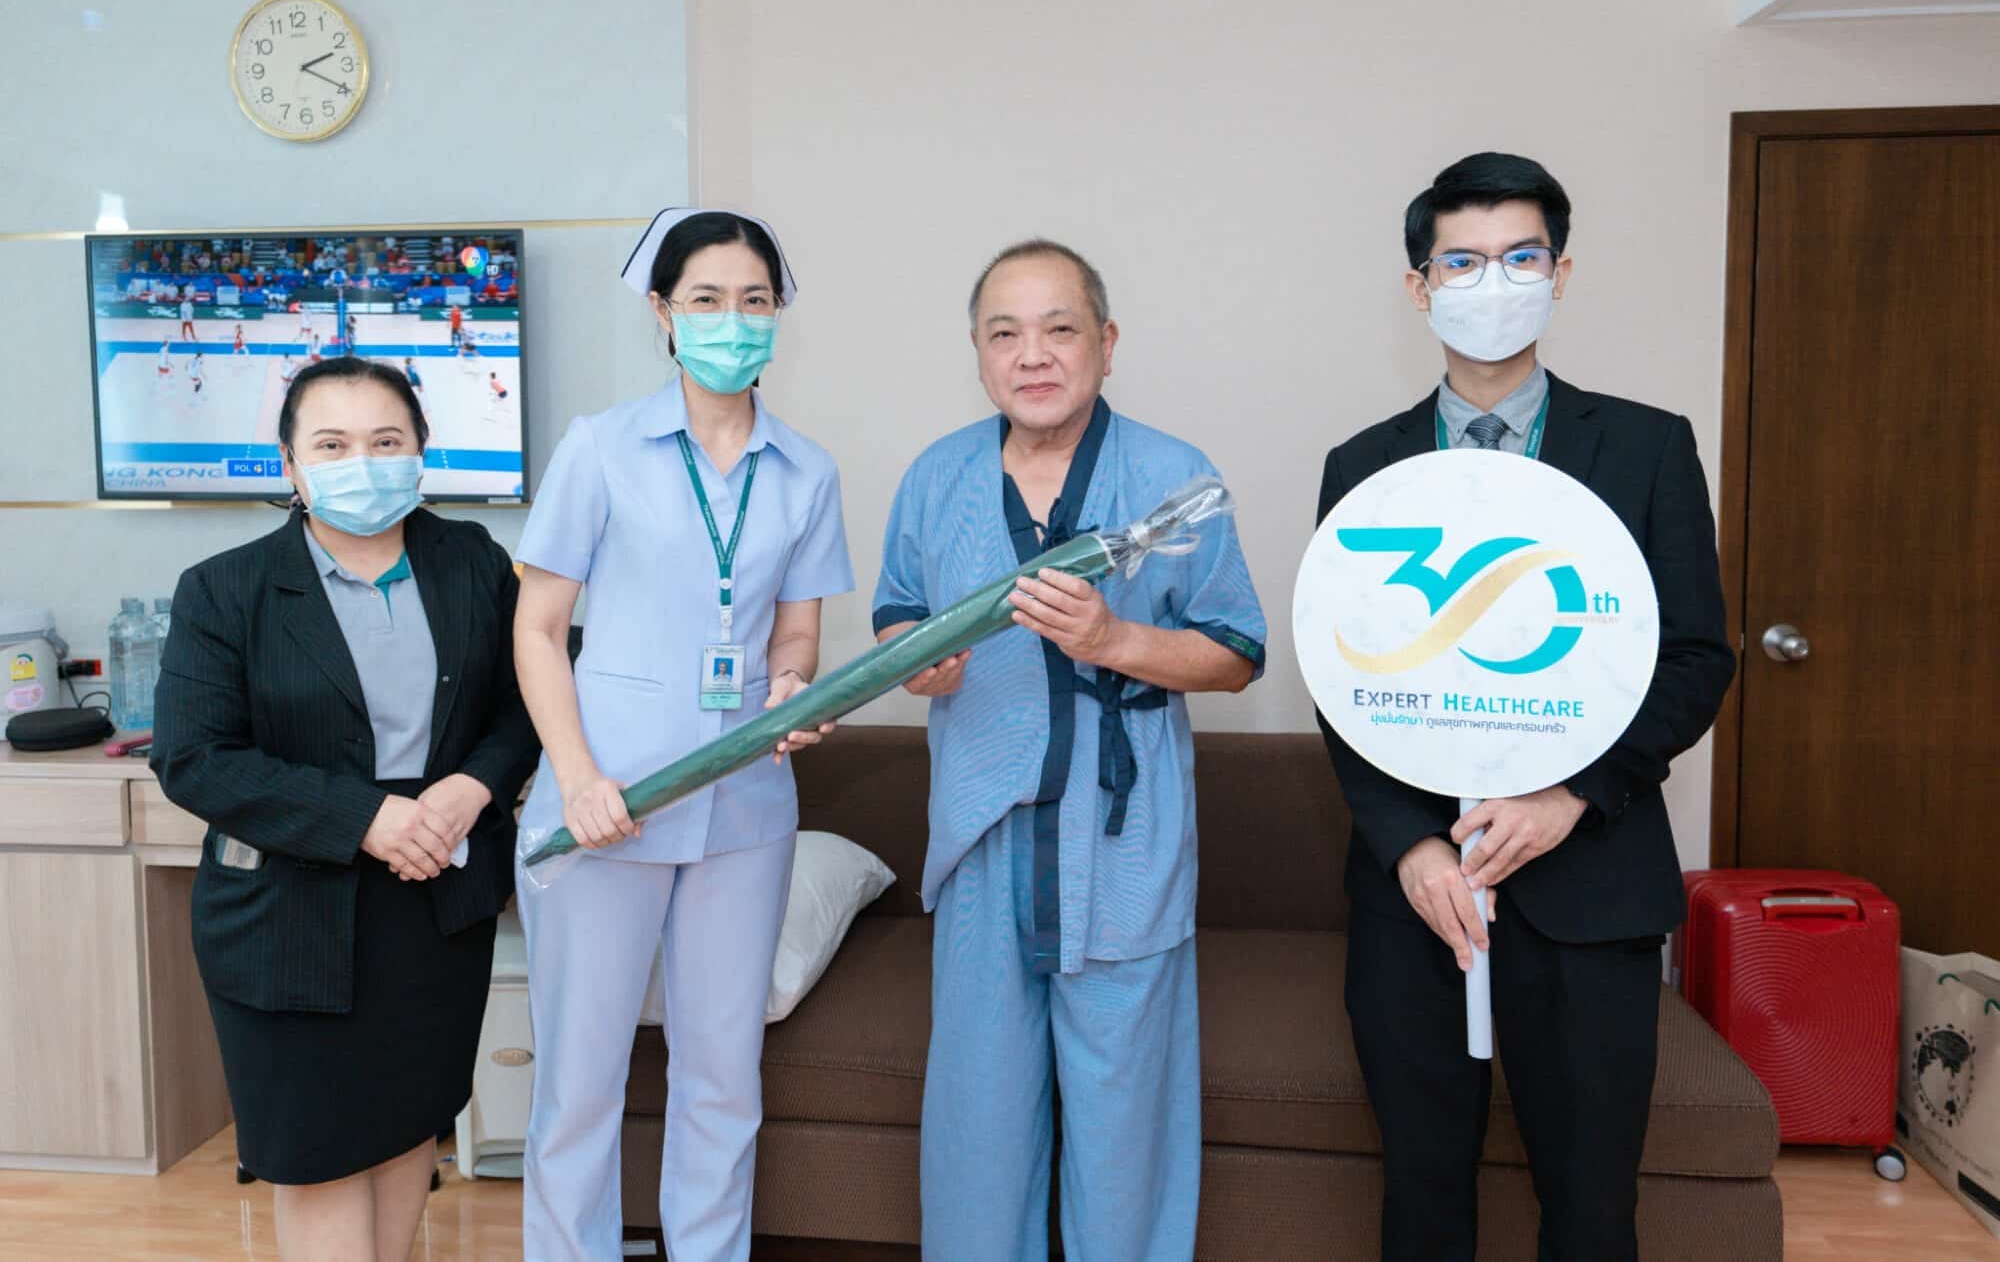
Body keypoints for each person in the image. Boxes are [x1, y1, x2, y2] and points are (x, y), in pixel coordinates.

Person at [1316, 152, 1735, 1262]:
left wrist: (1568, 798)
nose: (1490, 282)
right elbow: (1341, 676)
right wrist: (1410, 846)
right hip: (1416, 900)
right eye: (1461, 261)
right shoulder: (1362, 466)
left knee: (1591, 1209)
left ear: (1559, 274)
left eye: (1518, 257)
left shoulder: (1646, 446)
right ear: (1420, 286)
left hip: (1591, 887)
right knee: (1421, 1198)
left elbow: (1695, 658)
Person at [875, 240, 1265, 1261]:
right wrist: (916, 663)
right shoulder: (936, 478)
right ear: (976, 351)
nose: (1032, 354)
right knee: (978, 1130)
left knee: (1125, 1134)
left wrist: (1115, 639)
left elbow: (1236, 654)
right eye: (1004, 332)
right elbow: (897, 616)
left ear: (1106, 341)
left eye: (1059, 328)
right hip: (983, 836)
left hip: (1121, 841)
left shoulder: (1172, 476)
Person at [513, 208, 852, 1261]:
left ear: (778, 314)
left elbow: (796, 633)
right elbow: (537, 627)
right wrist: (577, 778)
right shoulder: (600, 448)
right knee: (580, 1082)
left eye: (753, 300)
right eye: (706, 298)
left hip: (743, 812)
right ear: (662, 313)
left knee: (722, 1080)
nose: (731, 320)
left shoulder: (806, 471)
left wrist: (791, 689)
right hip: (605, 806)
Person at [151, 356, 540, 1262]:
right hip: (286, 916)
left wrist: (473, 785)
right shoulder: (225, 588)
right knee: (318, 1152)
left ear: (421, 452)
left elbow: (526, 701)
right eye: (331, 444)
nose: (361, 461)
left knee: (406, 1131)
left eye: (385, 440)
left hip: (435, 903)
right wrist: (366, 818)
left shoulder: (473, 562)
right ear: (290, 464)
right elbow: (194, 757)